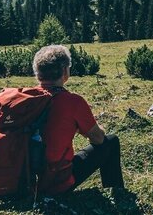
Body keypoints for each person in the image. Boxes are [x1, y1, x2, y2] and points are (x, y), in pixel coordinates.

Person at [32, 44, 126, 195]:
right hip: (54, 183)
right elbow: (98, 139)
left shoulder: (25, 100)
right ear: (65, 71)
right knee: (111, 141)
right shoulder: (72, 102)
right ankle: (119, 196)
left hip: (22, 182)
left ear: (38, 74)